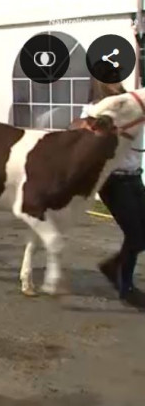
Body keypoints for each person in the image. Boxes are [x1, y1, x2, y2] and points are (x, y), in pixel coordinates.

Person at [85, 61, 145, 307]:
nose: (115, 80)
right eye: (109, 77)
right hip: (113, 180)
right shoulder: (95, 109)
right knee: (136, 236)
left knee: (142, 235)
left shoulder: (131, 103)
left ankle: (113, 267)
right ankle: (125, 285)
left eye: (116, 75)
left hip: (133, 175)